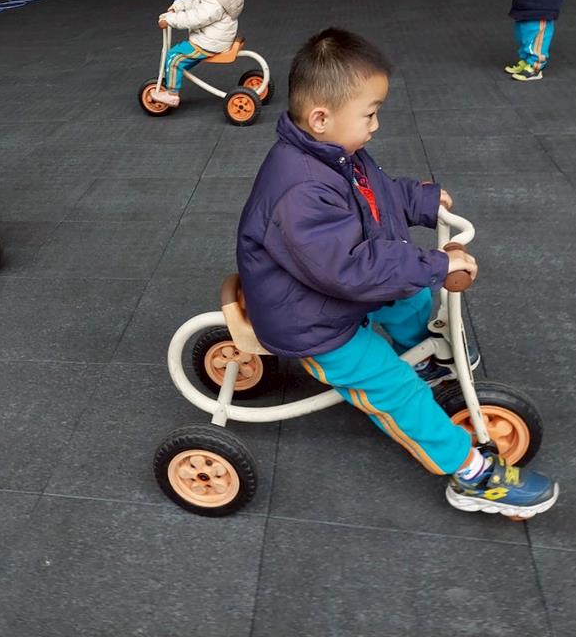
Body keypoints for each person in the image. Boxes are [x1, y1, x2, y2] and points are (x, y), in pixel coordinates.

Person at [236, 27, 559, 518]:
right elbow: (349, 268)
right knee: (393, 385)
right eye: (370, 114)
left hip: (323, 292)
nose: (376, 124)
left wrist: (420, 200)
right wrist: (436, 263)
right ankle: (470, 475)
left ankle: (427, 359)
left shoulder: (336, 153)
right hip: (311, 323)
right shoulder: (301, 190)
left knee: (409, 298)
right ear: (321, 118)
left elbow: (377, 196)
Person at [152, 0, 244, 108]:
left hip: (210, 42)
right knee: (181, 55)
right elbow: (198, 3)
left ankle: (172, 94)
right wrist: (178, 5)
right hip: (219, 36)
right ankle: (173, 77)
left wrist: (171, 19)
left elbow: (196, 17)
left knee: (174, 56)